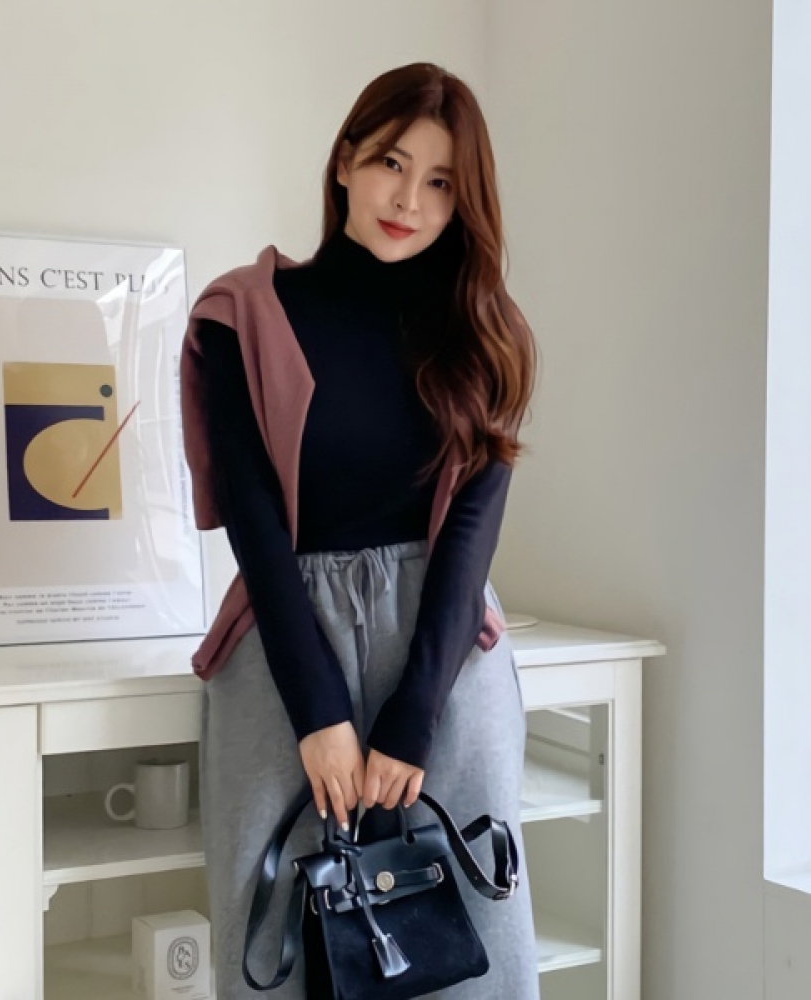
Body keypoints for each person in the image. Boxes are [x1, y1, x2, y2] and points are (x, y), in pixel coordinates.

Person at [185, 61, 540, 999]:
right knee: (275, 949)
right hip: (287, 646)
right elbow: (253, 519)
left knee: (470, 949)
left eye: (441, 182)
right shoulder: (239, 316)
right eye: (391, 162)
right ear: (345, 161)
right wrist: (319, 714)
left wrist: (414, 715)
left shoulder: (486, 330)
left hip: (445, 654)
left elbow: (472, 533)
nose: (409, 200)